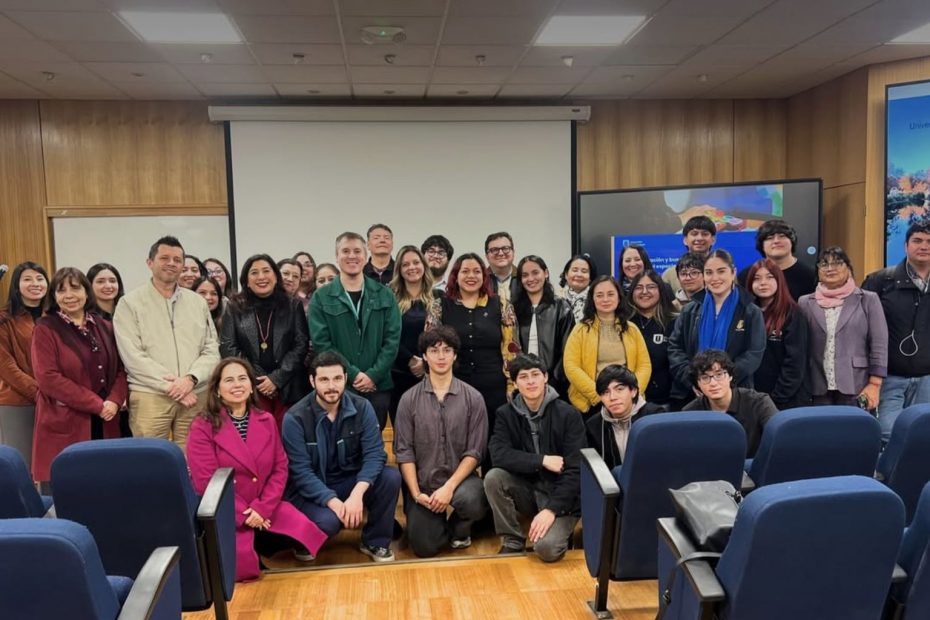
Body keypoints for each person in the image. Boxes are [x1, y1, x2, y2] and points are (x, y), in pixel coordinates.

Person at [187, 358, 327, 580]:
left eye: (242, 378)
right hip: (227, 510)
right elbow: (206, 481)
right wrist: (245, 514)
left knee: (308, 531)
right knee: (240, 573)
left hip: (264, 506)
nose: (237, 385)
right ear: (217, 390)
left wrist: (262, 508)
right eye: (229, 380)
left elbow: (280, 468)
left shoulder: (266, 419)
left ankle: (266, 547)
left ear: (252, 386)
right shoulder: (202, 426)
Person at [283, 351, 401, 563]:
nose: (332, 386)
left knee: (390, 477)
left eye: (337, 378)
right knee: (329, 523)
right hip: (312, 489)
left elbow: (375, 454)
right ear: (312, 381)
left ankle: (375, 541)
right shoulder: (294, 418)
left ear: (346, 378)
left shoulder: (362, 407)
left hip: (349, 481)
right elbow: (300, 473)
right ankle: (303, 539)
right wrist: (335, 504)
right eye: (324, 380)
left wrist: (357, 494)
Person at [114, 236, 220, 452]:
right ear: (150, 262)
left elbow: (211, 349)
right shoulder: (129, 303)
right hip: (150, 395)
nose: (171, 263)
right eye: (164, 258)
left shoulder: (197, 302)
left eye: (177, 260)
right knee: (150, 458)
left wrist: (190, 379)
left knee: (194, 457)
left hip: (195, 394)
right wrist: (173, 387)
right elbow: (132, 355)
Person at [394, 327, 489, 557]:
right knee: (424, 548)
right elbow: (404, 452)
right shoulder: (408, 400)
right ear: (424, 356)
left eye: (447, 350)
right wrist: (416, 493)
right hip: (424, 485)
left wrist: (449, 488)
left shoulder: (474, 398)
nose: (441, 356)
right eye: (434, 350)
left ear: (455, 355)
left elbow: (475, 451)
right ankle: (436, 527)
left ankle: (459, 528)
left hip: (460, 482)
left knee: (474, 500)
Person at [484, 354, 586, 561]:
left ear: (545, 377)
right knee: (494, 477)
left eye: (535, 375)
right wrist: (542, 460)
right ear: (515, 383)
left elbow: (576, 470)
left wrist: (551, 509)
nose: (530, 381)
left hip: (564, 499)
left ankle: (559, 529)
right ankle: (512, 540)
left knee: (546, 550)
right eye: (523, 377)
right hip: (529, 490)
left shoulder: (568, 414)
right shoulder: (505, 414)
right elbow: (498, 454)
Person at [30, 268, 127, 485]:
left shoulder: (105, 326)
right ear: (54, 296)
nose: (69, 295)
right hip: (66, 421)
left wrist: (114, 400)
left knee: (108, 486)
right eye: (61, 290)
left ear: (86, 291)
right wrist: (96, 404)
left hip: (107, 420)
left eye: (75, 288)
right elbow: (48, 378)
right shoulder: (45, 329)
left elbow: (121, 369)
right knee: (70, 488)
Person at [309, 232, 401, 430]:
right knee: (340, 441)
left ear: (366, 255)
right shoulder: (321, 297)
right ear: (336, 256)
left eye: (357, 251)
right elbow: (322, 343)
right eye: (345, 251)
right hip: (339, 387)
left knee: (372, 440)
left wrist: (373, 375)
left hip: (378, 386)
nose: (352, 256)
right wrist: (352, 374)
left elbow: (392, 340)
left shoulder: (385, 295)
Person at [425, 253, 520, 443]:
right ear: (455, 276)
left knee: (493, 440)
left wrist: (512, 386)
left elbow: (512, 349)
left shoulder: (501, 305)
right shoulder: (439, 306)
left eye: (477, 271)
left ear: (484, 276)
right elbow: (430, 347)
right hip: (453, 386)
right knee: (455, 439)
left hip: (494, 386)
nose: (471, 276)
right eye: (465, 271)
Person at [668, 249, 765, 409]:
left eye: (721, 271)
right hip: (692, 394)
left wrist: (722, 381)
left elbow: (754, 353)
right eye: (709, 272)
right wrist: (694, 380)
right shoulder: (690, 310)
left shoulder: (750, 311)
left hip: (736, 393)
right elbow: (675, 348)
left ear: (733, 272)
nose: (715, 278)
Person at [221, 254, 310, 428]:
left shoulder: (293, 305)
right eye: (254, 272)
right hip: (250, 387)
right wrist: (258, 378)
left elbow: (301, 344)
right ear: (246, 280)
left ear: (276, 277)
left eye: (266, 271)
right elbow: (228, 347)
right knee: (257, 435)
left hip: (288, 385)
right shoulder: (234, 306)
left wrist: (276, 378)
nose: (261, 277)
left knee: (287, 435)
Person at [863, 221, 930, 442]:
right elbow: (861, 329)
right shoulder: (881, 281)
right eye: (917, 241)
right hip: (888, 378)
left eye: (929, 241)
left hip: (927, 379)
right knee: (889, 436)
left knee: (923, 438)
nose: (924, 246)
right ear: (906, 245)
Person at [798, 247, 887, 408]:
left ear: (848, 268)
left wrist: (875, 383)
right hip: (816, 384)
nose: (830, 268)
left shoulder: (868, 299)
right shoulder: (804, 302)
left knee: (854, 425)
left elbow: (879, 343)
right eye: (824, 264)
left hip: (857, 383)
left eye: (837, 263)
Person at [563, 276, 652, 418]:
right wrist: (600, 395)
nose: (605, 299)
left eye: (610, 294)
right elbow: (571, 366)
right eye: (599, 295)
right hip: (592, 403)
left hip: (629, 403)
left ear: (619, 298)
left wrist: (631, 394)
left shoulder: (632, 329)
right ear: (592, 299)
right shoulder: (580, 329)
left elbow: (644, 365)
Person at [682, 349, 778, 457]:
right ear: (698, 383)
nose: (713, 383)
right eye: (705, 377)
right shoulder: (690, 413)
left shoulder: (759, 403)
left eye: (719, 375)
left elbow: (778, 437)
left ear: (730, 376)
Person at [0, 262, 48, 468]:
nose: (35, 283)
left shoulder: (55, 316)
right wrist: (41, 393)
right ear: (16, 285)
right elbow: (6, 366)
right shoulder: (4, 319)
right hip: (18, 402)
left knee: (51, 466)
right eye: (27, 279)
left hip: (56, 402)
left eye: (39, 278)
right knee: (21, 467)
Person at [746, 259, 809, 409]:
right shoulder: (746, 313)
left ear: (779, 281)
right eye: (757, 278)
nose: (763, 283)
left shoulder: (792, 313)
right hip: (752, 398)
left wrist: (776, 397)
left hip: (784, 400)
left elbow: (795, 362)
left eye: (769, 277)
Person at [512, 256, 575, 397]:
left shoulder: (561, 307)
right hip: (522, 382)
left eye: (535, 273)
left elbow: (568, 351)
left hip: (554, 385)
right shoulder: (513, 310)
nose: (530, 279)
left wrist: (553, 380)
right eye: (525, 275)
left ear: (545, 273)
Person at [585, 364, 666, 469]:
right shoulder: (594, 426)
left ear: (633, 391)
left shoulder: (655, 416)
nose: (612, 397)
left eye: (619, 389)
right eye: (605, 392)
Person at [388, 246, 434, 424]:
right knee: (403, 431)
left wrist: (426, 363)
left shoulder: (439, 298)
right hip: (398, 375)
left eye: (416, 262)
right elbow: (386, 335)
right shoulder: (390, 298)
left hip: (432, 374)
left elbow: (444, 336)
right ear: (399, 270)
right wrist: (410, 360)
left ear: (424, 265)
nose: (412, 267)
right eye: (405, 264)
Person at [628, 270, 678, 405]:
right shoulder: (623, 323)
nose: (644, 292)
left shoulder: (675, 322)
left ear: (661, 290)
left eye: (651, 287)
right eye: (639, 287)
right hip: (629, 400)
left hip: (667, 400)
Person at [738, 220, 817, 302]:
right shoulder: (747, 275)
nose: (776, 241)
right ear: (762, 245)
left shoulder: (811, 276)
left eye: (782, 236)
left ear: (792, 241)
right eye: (769, 238)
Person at [662, 215, 717, 299]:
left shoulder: (723, 271)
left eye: (704, 234)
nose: (699, 238)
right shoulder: (670, 275)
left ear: (713, 240)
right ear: (685, 240)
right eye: (694, 234)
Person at [559, 254, 597, 322]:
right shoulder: (556, 299)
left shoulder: (596, 299)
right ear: (566, 275)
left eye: (584, 271)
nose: (579, 274)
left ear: (590, 278)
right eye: (575, 270)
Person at [485, 232, 519, 307]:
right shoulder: (480, 280)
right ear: (487, 256)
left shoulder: (524, 278)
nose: (500, 253)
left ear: (513, 252)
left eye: (505, 248)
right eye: (494, 250)